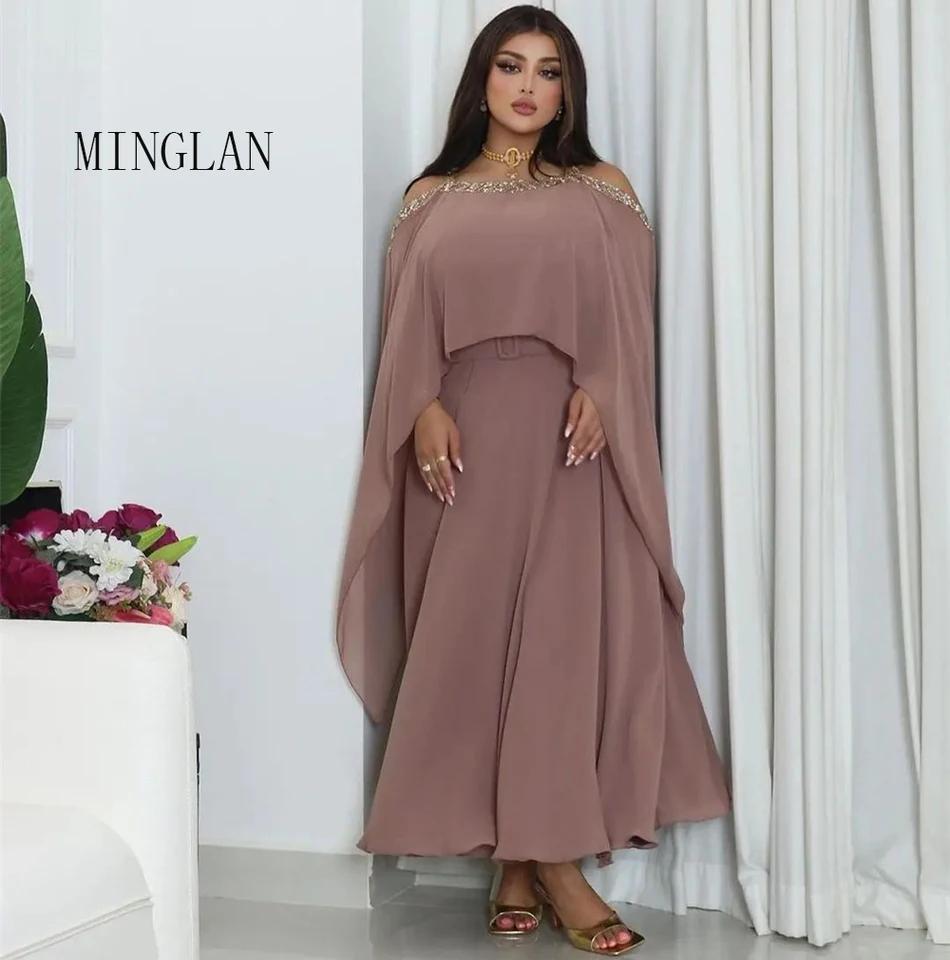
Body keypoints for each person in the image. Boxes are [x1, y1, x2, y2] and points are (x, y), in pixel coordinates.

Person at [335, 5, 732, 955]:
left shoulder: (602, 189)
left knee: (558, 644)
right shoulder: (430, 197)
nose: (527, 86)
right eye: (510, 66)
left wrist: (604, 389)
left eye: (548, 72)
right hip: (461, 444)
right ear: (481, 80)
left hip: (571, 442)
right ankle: (525, 863)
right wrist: (423, 409)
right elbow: (404, 333)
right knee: (475, 643)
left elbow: (629, 324)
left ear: (568, 92)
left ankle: (546, 862)